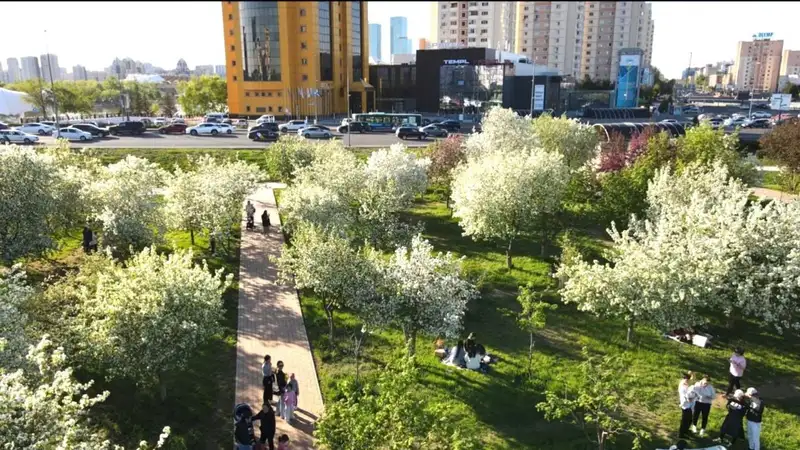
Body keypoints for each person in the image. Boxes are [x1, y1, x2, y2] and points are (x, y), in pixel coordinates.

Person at [678, 372, 697, 438]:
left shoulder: (685, 382)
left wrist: (693, 374)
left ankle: (686, 431)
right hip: (685, 405)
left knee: (689, 420)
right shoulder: (683, 386)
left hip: (689, 405)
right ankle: (681, 434)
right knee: (685, 420)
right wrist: (689, 399)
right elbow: (684, 396)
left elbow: (692, 380)